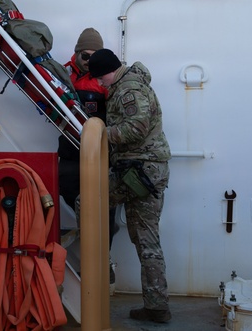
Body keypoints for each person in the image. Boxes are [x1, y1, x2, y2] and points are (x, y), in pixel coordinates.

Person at [88, 48, 172, 323]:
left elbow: (137, 127)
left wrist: (100, 133)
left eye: (100, 78)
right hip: (145, 171)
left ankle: (99, 267)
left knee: (85, 202)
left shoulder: (128, 88)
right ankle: (157, 306)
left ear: (109, 72)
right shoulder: (130, 83)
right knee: (146, 240)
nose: (99, 84)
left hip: (139, 171)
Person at [58, 28, 120, 283]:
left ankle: (99, 261)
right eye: (85, 55)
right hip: (71, 150)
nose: (89, 61)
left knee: (105, 208)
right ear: (76, 53)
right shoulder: (64, 74)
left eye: (95, 56)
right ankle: (90, 247)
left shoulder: (105, 78)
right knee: (70, 193)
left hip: (101, 152)